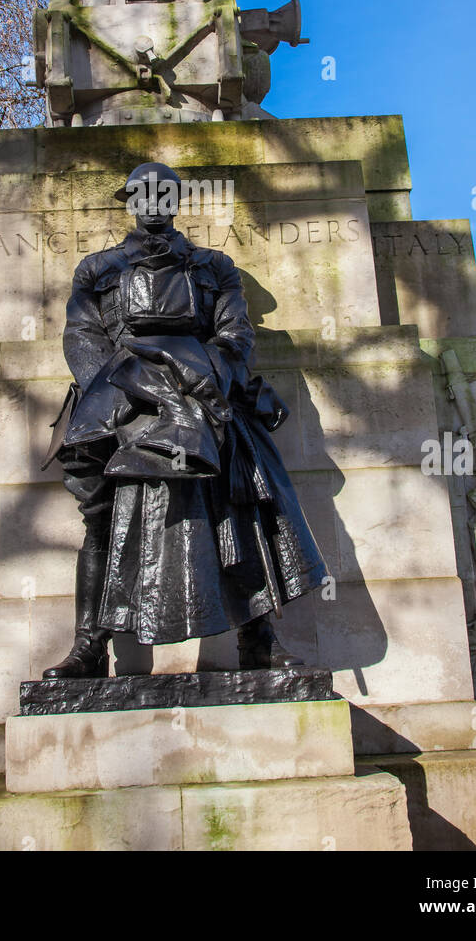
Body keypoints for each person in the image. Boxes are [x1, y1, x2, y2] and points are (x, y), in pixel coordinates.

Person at [41, 162, 327, 678]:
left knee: (247, 496)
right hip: (120, 401)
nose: (153, 203)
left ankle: (258, 639)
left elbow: (235, 336)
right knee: (101, 520)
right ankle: (89, 647)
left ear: (175, 201)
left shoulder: (213, 266)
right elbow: (81, 339)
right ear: (130, 201)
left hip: (203, 398)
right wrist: (131, 389)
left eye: (163, 193)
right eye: (142, 194)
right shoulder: (97, 268)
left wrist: (200, 382)